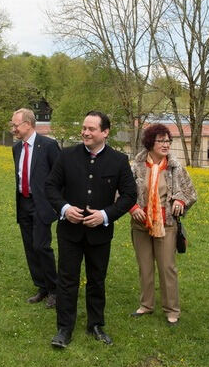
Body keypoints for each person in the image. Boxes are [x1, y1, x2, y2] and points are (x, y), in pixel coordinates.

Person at [45, 111, 137, 348]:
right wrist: (65, 209)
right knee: (67, 280)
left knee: (97, 279)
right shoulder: (66, 156)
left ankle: (96, 324)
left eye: (91, 129)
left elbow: (129, 195)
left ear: (105, 132)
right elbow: (51, 186)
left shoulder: (118, 161)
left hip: (100, 234)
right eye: (84, 128)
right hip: (70, 232)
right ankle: (64, 329)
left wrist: (105, 215)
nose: (85, 132)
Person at [128, 124, 197, 326]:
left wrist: (180, 200)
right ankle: (146, 305)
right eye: (161, 141)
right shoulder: (136, 167)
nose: (166, 144)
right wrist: (133, 208)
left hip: (166, 225)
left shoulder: (175, 167)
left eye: (168, 141)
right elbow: (122, 192)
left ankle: (172, 310)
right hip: (140, 225)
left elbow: (190, 192)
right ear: (150, 142)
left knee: (167, 267)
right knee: (145, 266)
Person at [10, 108, 60, 308]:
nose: (13, 129)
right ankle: (42, 287)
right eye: (12, 125)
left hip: (42, 204)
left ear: (28, 124)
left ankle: (55, 290)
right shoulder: (16, 148)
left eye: (16, 125)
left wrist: (57, 204)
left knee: (41, 246)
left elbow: (59, 176)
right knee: (30, 247)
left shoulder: (48, 146)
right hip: (23, 203)